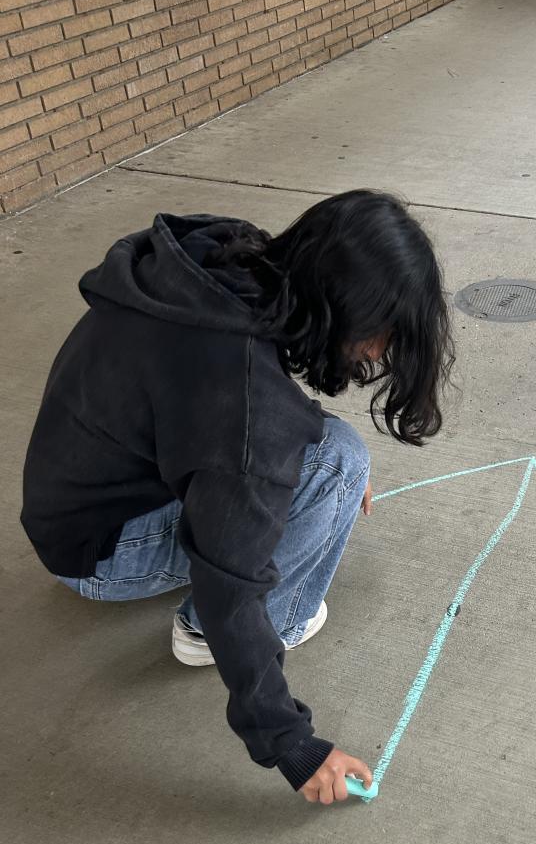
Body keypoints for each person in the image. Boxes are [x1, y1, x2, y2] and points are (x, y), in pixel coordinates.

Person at [20, 190, 453, 805]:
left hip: (71, 503)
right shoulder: (243, 403)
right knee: (338, 460)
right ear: (351, 312)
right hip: (100, 556)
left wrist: (296, 440)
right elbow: (230, 587)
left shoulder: (223, 264)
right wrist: (292, 744)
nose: (380, 353)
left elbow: (233, 397)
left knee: (318, 445)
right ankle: (211, 631)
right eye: (385, 334)